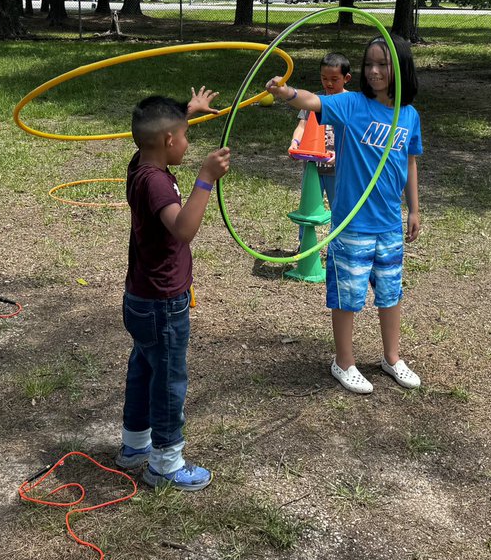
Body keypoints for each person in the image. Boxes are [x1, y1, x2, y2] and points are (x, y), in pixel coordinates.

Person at [266, 36, 423, 395]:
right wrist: (287, 92)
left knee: (390, 293)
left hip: (389, 225)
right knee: (348, 296)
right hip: (353, 223)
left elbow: (410, 162)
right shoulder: (352, 104)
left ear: (401, 68)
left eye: (383, 64)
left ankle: (392, 357)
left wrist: (413, 208)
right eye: (369, 64)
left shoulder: (409, 115)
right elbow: (313, 101)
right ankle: (344, 361)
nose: (374, 71)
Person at [115, 87, 230, 490]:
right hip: (163, 303)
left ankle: (134, 446)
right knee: (167, 379)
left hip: (141, 298)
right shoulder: (159, 185)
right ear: (168, 141)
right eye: (185, 134)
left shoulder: (139, 166)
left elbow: (161, 127)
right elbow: (184, 230)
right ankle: (165, 462)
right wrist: (204, 179)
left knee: (144, 369)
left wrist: (187, 110)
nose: (188, 141)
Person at [288, 53, 351, 215]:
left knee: (340, 211)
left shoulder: (351, 103)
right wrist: (295, 142)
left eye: (334, 79)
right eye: (324, 78)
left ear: (346, 78)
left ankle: (340, 240)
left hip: (337, 170)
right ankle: (305, 241)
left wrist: (340, 155)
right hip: (312, 168)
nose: (328, 83)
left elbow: (355, 138)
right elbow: (302, 126)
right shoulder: (314, 100)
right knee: (307, 211)